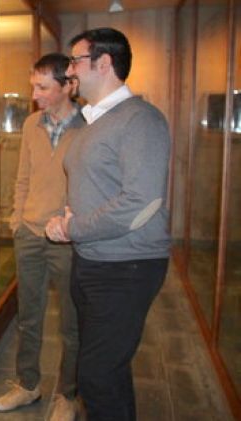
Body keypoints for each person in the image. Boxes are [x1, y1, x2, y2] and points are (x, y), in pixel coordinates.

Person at [45, 28, 171, 420]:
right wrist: (67, 217)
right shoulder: (92, 122)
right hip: (94, 261)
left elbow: (142, 201)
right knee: (106, 371)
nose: (69, 73)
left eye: (75, 62)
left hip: (126, 267)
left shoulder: (140, 119)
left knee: (97, 374)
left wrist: (74, 228)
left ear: (104, 63)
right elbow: (95, 187)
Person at [0, 53, 83, 421]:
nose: (35, 94)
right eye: (34, 86)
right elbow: (23, 178)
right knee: (29, 316)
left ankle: (67, 394)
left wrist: (74, 224)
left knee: (72, 322)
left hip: (67, 240)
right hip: (28, 234)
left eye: (43, 87)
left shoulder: (89, 127)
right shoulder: (31, 124)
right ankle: (27, 385)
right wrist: (17, 220)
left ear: (68, 86)